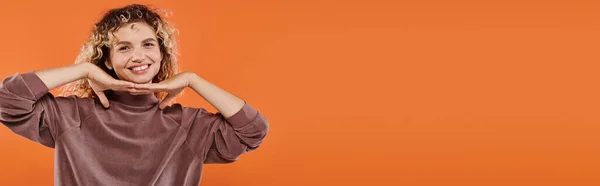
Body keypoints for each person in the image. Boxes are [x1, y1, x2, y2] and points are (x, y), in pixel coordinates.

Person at [0, 4, 269, 185]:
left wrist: (192, 80)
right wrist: (84, 70)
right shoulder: (71, 116)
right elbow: (7, 99)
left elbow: (253, 130)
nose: (138, 56)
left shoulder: (188, 126)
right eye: (124, 48)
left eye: (148, 44)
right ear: (106, 60)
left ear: (161, 53)